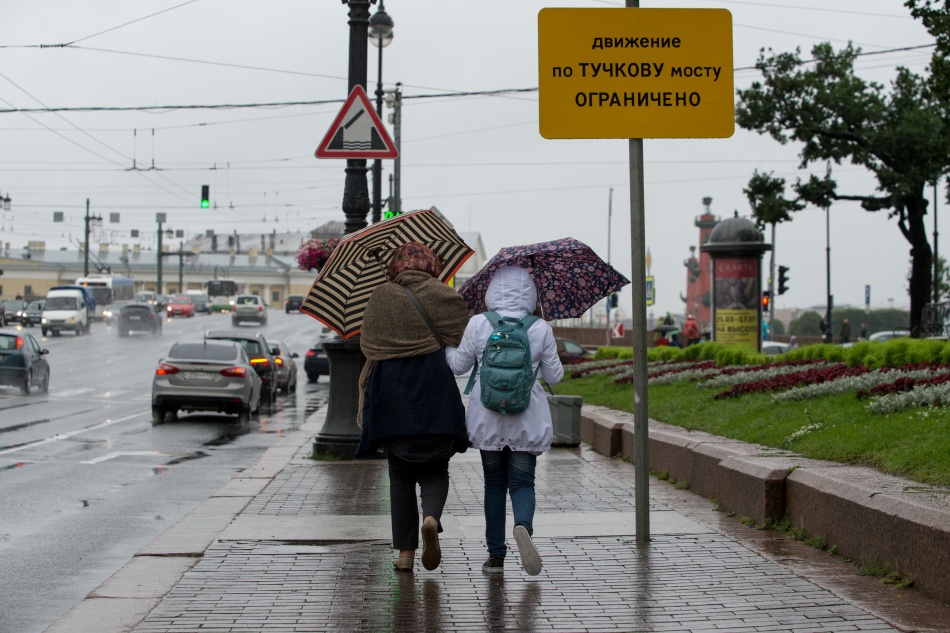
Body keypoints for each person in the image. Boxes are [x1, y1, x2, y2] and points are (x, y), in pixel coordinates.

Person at [356, 242, 471, 573]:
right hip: (435, 393)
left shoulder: (381, 296)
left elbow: (368, 345)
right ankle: (431, 518)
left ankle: (406, 554)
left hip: (391, 397)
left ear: (396, 267)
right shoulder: (447, 297)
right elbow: (462, 339)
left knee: (400, 475)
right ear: (432, 265)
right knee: (436, 469)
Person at [446, 266, 564, 576]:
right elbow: (556, 377)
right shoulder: (540, 328)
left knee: (494, 486)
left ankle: (495, 556)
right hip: (527, 418)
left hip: (488, 418)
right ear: (530, 293)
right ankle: (523, 526)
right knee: (523, 483)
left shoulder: (478, 324)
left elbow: (459, 367)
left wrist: (447, 350)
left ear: (491, 291)